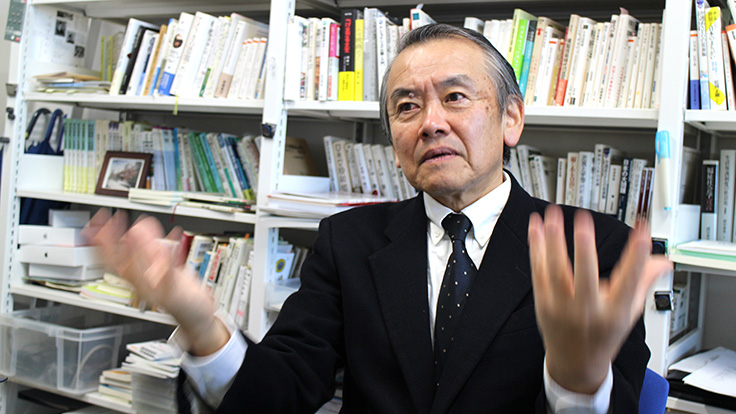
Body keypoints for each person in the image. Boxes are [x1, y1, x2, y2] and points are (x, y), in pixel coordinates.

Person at [84, 24, 672, 413]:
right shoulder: (350, 241)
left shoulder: (592, 246)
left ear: (511, 119)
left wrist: (575, 386)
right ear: (393, 137)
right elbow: (282, 393)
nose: (430, 123)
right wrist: (199, 322)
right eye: (406, 106)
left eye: (457, 98)